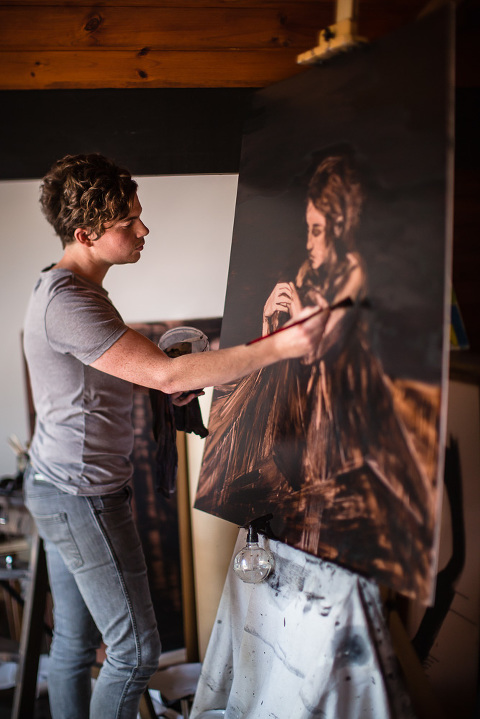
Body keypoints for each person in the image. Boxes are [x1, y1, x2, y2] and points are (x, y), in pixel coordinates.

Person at [22, 153, 329, 719]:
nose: (143, 230)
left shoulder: (71, 288)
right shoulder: (69, 302)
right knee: (137, 654)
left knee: (71, 645)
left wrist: (156, 385)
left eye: (140, 215)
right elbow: (165, 372)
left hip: (57, 485)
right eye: (128, 223)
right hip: (80, 496)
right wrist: (283, 344)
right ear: (87, 233)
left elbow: (119, 376)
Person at [195, 153, 436, 600]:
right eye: (307, 227)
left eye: (318, 229)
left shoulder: (355, 276)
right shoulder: (310, 272)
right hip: (292, 427)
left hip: (337, 433)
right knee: (244, 486)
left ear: (342, 227)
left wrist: (298, 317)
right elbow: (279, 353)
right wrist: (269, 323)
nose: (309, 241)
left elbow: (321, 348)